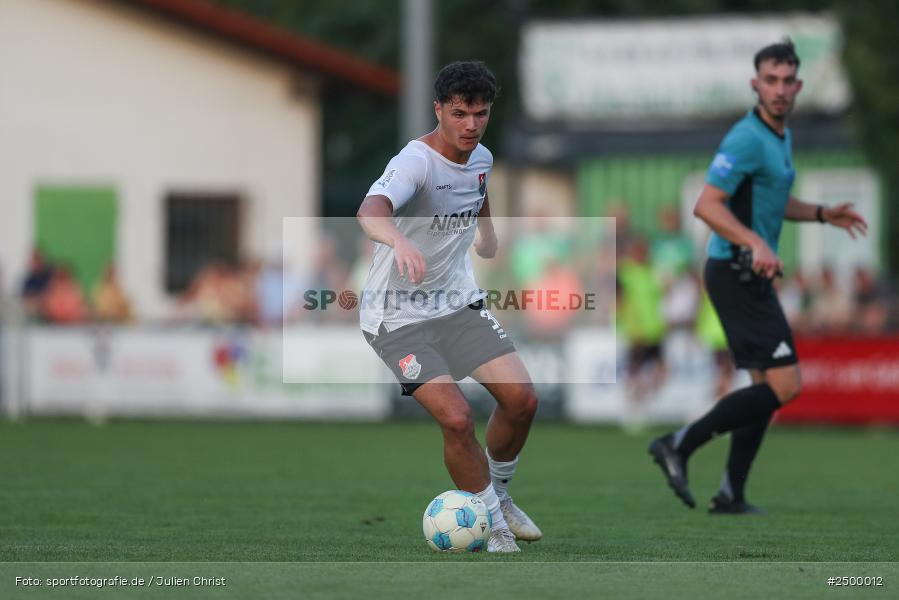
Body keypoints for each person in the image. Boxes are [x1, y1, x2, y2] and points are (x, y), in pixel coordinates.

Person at [648, 40, 867, 515]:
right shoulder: (746, 138)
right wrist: (755, 243)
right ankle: (677, 445)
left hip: (750, 271)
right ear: (756, 84)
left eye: (788, 81)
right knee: (786, 387)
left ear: (799, 86)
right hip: (736, 272)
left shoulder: (779, 137)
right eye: (771, 80)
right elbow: (706, 204)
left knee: (764, 387)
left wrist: (824, 213)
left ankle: (730, 494)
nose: (780, 89)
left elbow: (772, 202)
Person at [356, 61, 541, 552]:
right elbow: (370, 210)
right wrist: (399, 241)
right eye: (459, 113)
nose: (470, 125)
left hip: (455, 304)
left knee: (522, 400)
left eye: (480, 114)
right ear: (438, 109)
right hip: (396, 319)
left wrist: (487, 233)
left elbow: (476, 192)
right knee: (457, 419)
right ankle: (492, 525)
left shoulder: (481, 157)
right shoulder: (415, 161)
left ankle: (498, 497)